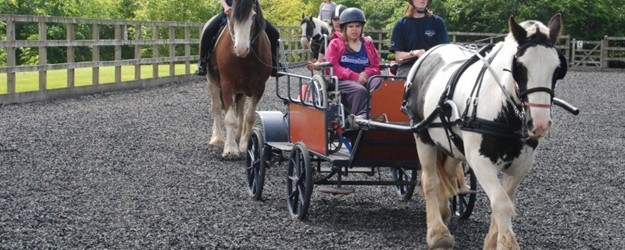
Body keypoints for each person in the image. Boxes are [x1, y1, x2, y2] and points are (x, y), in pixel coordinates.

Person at [195, 0, 282, 77]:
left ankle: (275, 63)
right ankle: (202, 62)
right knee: (208, 30)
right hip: (231, 11)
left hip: (249, 13)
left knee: (274, 33)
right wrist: (225, 7)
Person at [325, 7, 381, 118]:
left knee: (379, 83)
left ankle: (373, 114)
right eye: (351, 26)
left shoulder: (368, 44)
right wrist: (354, 76)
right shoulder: (335, 43)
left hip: (364, 78)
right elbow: (333, 67)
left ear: (362, 27)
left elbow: (376, 66)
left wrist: (365, 73)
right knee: (359, 90)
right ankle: (358, 118)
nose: (354, 30)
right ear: (344, 28)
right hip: (341, 81)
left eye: (358, 26)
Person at [389, 0, 448, 77]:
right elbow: (398, 57)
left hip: (434, 66)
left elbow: (444, 50)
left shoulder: (438, 22)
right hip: (409, 67)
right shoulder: (401, 25)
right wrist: (414, 53)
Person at [306, 4, 347, 71]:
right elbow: (320, 62)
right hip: (334, 76)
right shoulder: (327, 39)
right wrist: (314, 65)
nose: (337, 22)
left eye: (340, 19)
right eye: (335, 19)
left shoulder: (356, 39)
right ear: (332, 21)